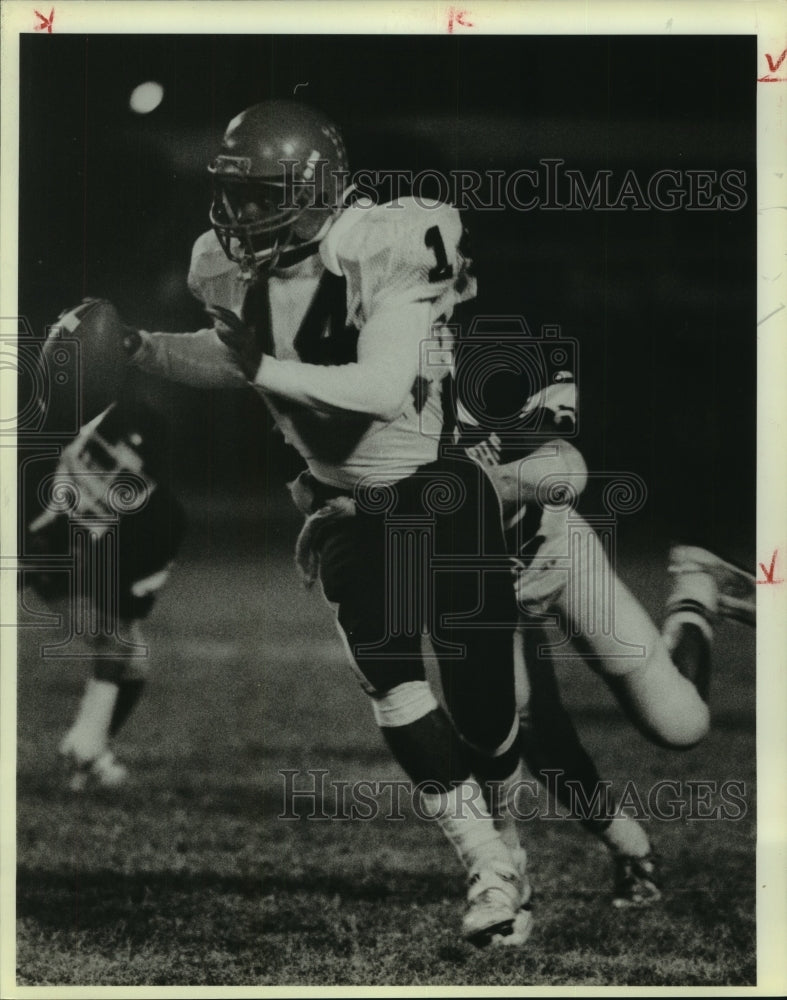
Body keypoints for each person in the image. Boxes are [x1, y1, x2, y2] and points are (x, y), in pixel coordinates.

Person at [104, 99, 535, 948]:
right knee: (389, 677)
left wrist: (256, 361)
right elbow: (230, 361)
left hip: (436, 491)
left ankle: (513, 846)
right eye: (233, 195)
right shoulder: (220, 265)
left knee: (484, 712)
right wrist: (143, 349)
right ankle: (483, 861)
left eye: (262, 195)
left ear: (314, 189)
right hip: (341, 501)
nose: (240, 215)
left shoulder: (386, 244)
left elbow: (376, 388)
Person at [455, 330, 755, 905]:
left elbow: (564, 467)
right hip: (475, 591)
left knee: (681, 726)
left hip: (556, 555)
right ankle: (593, 853)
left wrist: (474, 484)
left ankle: (697, 587)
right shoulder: (386, 389)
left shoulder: (496, 367)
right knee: (516, 721)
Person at [24, 389, 186, 791]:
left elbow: (116, 623)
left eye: (126, 477)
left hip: (63, 558)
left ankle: (87, 749)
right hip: (35, 542)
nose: (107, 476)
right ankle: (88, 749)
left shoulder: (157, 522)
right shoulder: (38, 454)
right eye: (101, 458)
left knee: (128, 660)